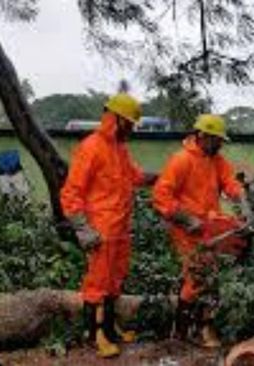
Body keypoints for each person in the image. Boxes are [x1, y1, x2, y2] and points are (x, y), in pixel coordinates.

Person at [60, 92, 155, 358]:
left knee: (114, 281)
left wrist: (162, 177)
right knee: (97, 283)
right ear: (116, 119)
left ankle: (110, 328)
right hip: (100, 230)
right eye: (129, 123)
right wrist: (82, 228)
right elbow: (70, 192)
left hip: (120, 228)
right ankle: (95, 333)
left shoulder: (120, 149)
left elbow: (135, 176)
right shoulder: (91, 147)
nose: (132, 129)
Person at [152, 114, 247, 348]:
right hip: (188, 228)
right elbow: (161, 197)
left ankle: (199, 328)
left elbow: (230, 182)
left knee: (209, 277)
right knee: (197, 277)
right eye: (217, 140)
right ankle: (183, 333)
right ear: (203, 136)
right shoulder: (181, 160)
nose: (220, 144)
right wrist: (185, 218)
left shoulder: (216, 160)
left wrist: (242, 200)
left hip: (210, 226)